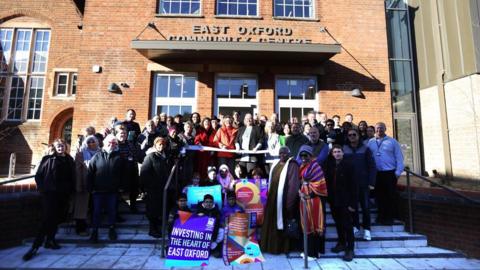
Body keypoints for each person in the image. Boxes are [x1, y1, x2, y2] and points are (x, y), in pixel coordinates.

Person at [23, 139, 75, 261]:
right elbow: (38, 176)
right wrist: (43, 189)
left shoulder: (69, 160)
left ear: (65, 147)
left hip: (64, 194)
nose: (60, 147)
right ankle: (35, 246)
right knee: (47, 219)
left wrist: (71, 189)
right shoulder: (48, 159)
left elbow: (72, 176)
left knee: (58, 218)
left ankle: (50, 240)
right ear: (54, 147)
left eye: (62, 145)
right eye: (58, 146)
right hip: (50, 194)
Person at [261, 146, 300, 255]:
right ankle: (269, 246)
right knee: (271, 224)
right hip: (272, 200)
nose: (282, 155)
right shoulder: (276, 163)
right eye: (280, 153)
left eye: (284, 153)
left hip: (283, 200)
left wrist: (289, 202)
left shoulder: (292, 165)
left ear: (289, 153)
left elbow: (293, 185)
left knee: (281, 224)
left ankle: (280, 248)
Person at [87, 135, 126, 243]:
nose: (112, 144)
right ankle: (94, 232)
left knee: (112, 211)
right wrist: (90, 188)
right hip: (97, 191)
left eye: (114, 143)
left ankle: (112, 229)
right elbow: (90, 173)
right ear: (104, 143)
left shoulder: (119, 157)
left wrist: (121, 187)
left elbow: (123, 174)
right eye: (110, 142)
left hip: (112, 191)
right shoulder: (96, 156)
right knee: (96, 212)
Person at [367, 122, 404, 225]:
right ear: (375, 130)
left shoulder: (392, 142)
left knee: (390, 196)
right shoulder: (370, 142)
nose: (379, 130)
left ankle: (389, 218)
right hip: (377, 173)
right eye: (377, 128)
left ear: (385, 129)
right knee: (379, 196)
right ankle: (381, 217)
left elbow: (399, 158)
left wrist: (397, 173)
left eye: (381, 128)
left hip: (389, 173)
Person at [325, 145, 357, 261]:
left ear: (343, 153)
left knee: (347, 225)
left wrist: (353, 204)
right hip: (334, 201)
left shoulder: (349, 165)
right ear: (332, 154)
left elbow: (354, 185)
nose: (337, 154)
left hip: (345, 201)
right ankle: (342, 243)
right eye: (335, 152)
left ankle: (350, 249)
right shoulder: (330, 166)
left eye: (339, 152)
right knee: (338, 223)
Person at [343, 128, 376, 241]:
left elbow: (372, 166)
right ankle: (355, 226)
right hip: (350, 184)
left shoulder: (365, 149)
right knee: (353, 207)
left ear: (358, 136)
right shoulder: (344, 149)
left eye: (354, 134)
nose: (352, 136)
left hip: (363, 183)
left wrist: (371, 182)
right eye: (350, 135)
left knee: (365, 207)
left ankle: (367, 229)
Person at [298, 145, 328, 260]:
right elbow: (300, 181)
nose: (303, 157)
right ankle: (310, 251)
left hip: (313, 199)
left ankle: (313, 253)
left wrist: (308, 196)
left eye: (306, 155)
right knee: (306, 223)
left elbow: (320, 184)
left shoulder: (315, 166)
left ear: (311, 156)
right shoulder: (303, 166)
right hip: (304, 198)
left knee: (313, 224)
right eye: (301, 155)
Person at [140, 137, 171, 238]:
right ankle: (152, 229)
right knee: (152, 209)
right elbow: (144, 173)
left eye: (163, 144)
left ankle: (157, 225)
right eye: (159, 144)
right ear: (155, 145)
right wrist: (148, 186)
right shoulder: (151, 156)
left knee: (159, 208)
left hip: (163, 187)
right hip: (153, 188)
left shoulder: (165, 156)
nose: (161, 146)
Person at [74, 135, 100, 236]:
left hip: (97, 184)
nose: (91, 143)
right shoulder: (81, 154)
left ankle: (93, 227)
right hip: (84, 183)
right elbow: (77, 171)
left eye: (93, 141)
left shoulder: (100, 152)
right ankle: (80, 228)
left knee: (94, 206)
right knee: (81, 208)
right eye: (88, 142)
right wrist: (78, 185)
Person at [116, 125, 140, 213]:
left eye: (125, 133)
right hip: (119, 170)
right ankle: (116, 212)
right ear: (117, 134)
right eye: (121, 133)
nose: (123, 135)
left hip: (130, 169)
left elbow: (135, 155)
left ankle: (133, 206)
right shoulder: (115, 144)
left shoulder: (130, 143)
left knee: (134, 187)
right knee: (118, 191)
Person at [178, 121, 196, 188]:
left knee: (189, 176)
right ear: (184, 128)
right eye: (187, 127)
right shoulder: (179, 136)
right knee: (181, 177)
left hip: (190, 160)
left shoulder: (193, 138)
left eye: (190, 127)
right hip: (181, 160)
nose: (189, 128)